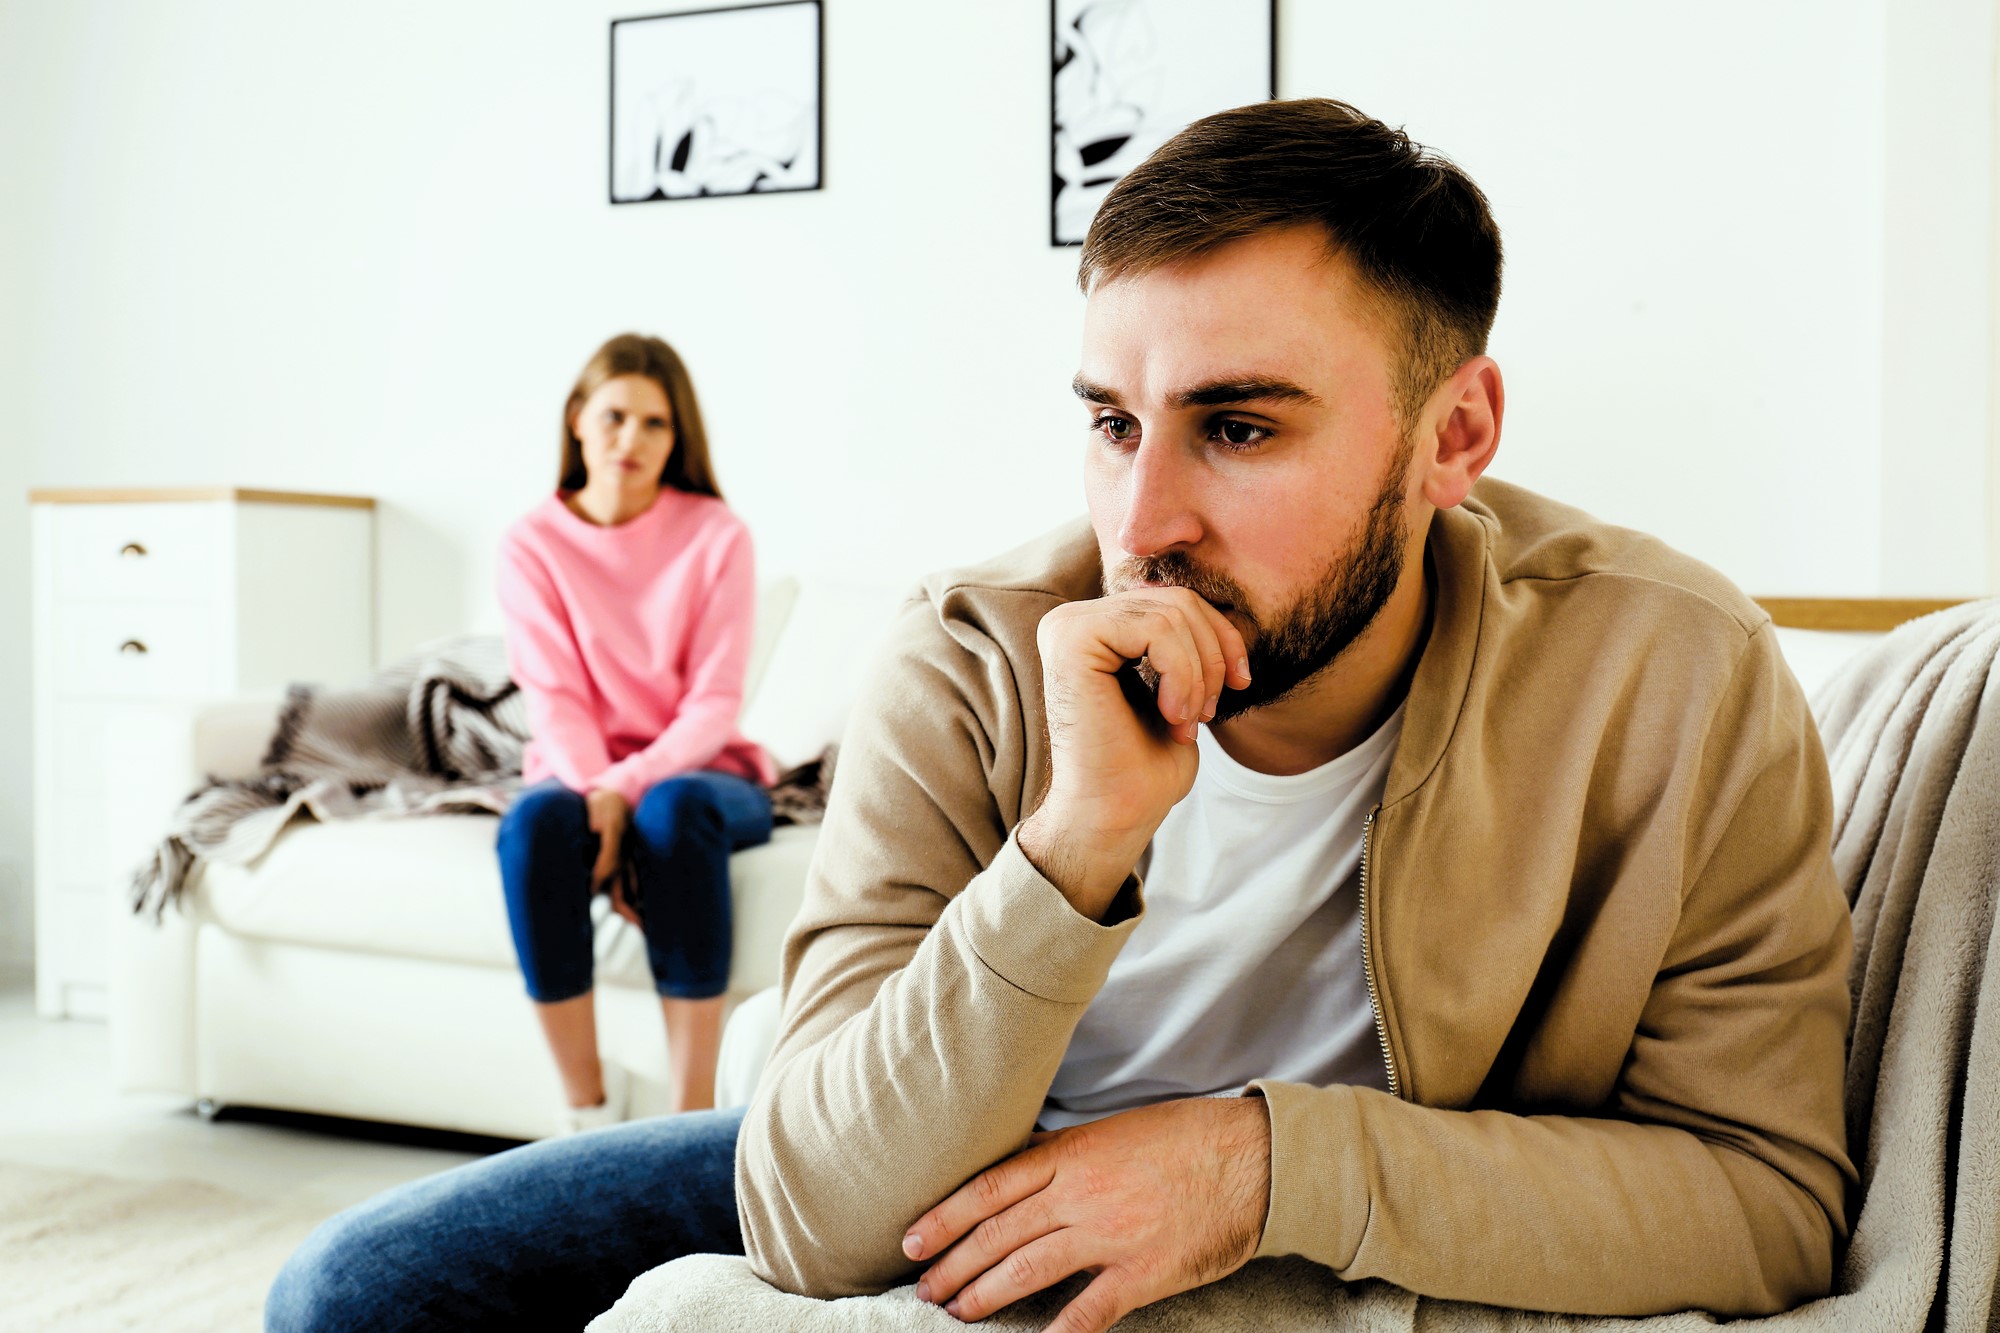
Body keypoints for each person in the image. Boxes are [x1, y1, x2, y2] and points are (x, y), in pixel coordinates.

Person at [266, 100, 1852, 1333]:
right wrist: (1074, 843)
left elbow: (1772, 1199)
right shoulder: (970, 655)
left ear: (1457, 435)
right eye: (1110, 423)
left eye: (1237, 427)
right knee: (356, 1293)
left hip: (1369, 1192)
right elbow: (814, 1208)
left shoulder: (1674, 677)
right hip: (949, 1153)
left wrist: (1263, 1165)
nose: (1142, 520)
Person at [494, 332, 776, 1131]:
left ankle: (687, 1128)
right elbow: (554, 696)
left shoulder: (717, 534)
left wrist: (622, 788)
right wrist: (595, 791)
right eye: (615, 416)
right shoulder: (531, 543)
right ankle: (587, 1112)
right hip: (574, 770)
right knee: (534, 826)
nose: (632, 439)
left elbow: (713, 705)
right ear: (578, 419)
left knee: (673, 812)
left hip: (700, 771)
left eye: (656, 424)